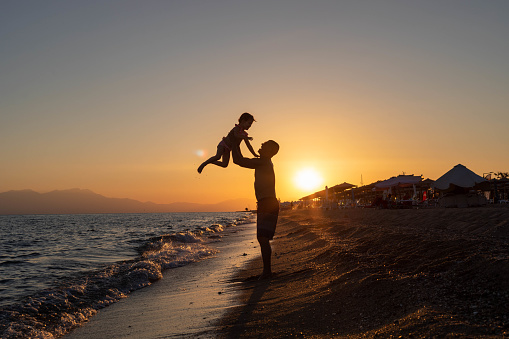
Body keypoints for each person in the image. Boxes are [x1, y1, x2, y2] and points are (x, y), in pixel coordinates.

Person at [232, 139, 280, 279]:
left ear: (270, 151)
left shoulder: (264, 162)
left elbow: (238, 161)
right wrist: (239, 141)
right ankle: (267, 271)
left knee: (262, 238)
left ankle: (267, 272)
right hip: (266, 203)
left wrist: (235, 142)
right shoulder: (264, 161)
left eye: (263, 145)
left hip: (268, 203)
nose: (261, 146)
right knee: (262, 238)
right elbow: (240, 159)